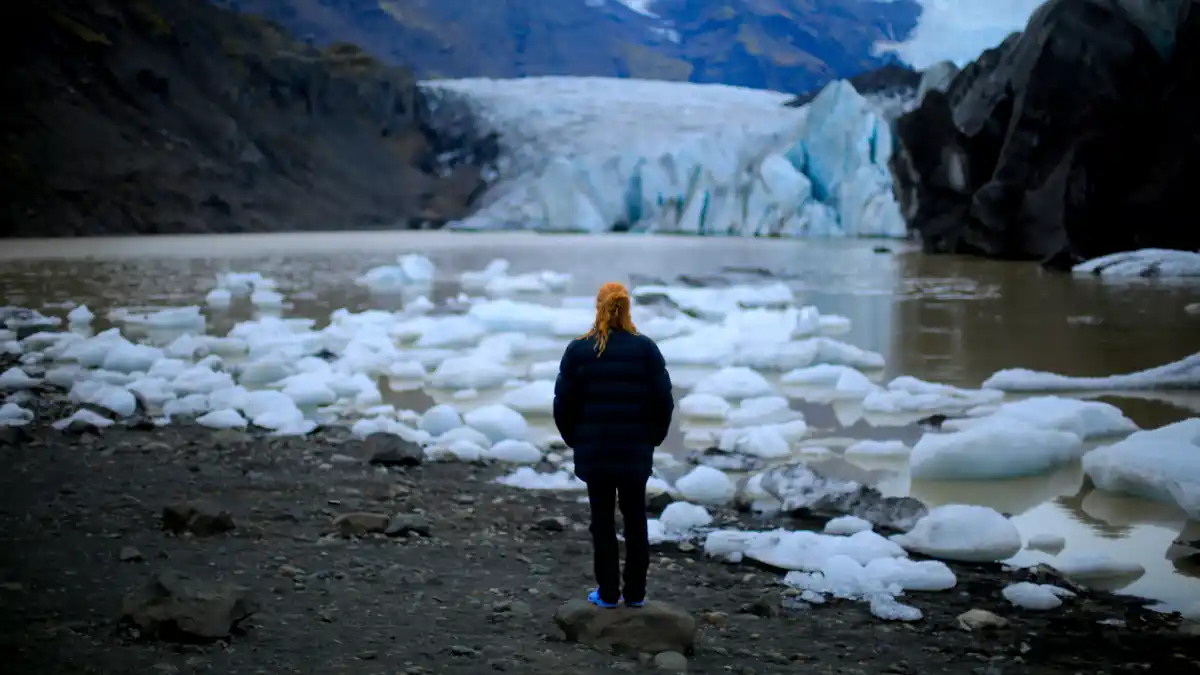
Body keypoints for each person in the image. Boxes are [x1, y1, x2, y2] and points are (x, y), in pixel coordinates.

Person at [553, 281, 674, 609]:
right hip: (635, 450)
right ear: (627, 308)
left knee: (602, 521)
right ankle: (635, 594)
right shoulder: (646, 348)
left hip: (595, 451)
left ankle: (607, 594)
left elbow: (563, 403)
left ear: (598, 306)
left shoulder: (579, 350)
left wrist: (576, 440)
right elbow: (663, 401)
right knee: (636, 520)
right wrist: (653, 438)